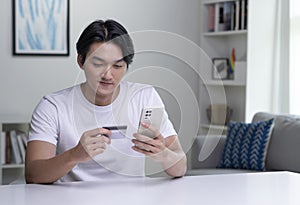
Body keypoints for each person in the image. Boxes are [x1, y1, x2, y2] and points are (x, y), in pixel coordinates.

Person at [25, 19, 187, 184]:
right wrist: (74, 155)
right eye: (98, 64)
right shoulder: (53, 106)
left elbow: (181, 167)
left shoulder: (144, 97)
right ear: (81, 61)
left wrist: (162, 154)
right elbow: (33, 175)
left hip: (132, 198)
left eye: (117, 66)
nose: (108, 75)